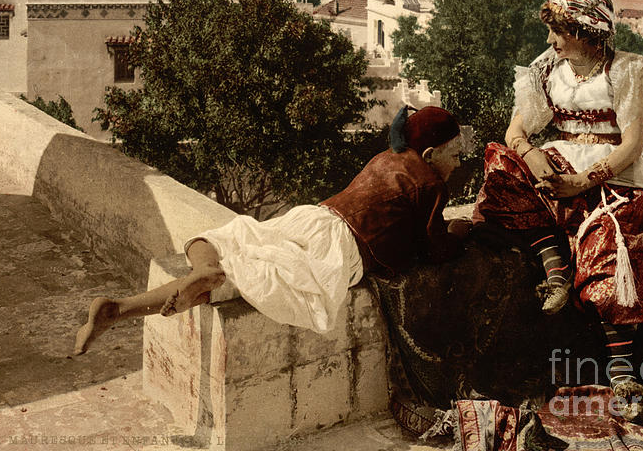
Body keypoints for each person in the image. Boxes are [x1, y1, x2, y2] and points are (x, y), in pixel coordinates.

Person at [75, 105, 468, 355]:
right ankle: (202, 278)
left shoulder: (387, 157)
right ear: (431, 154)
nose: (460, 161)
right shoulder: (430, 182)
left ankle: (122, 308)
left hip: (314, 217)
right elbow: (435, 250)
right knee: (261, 277)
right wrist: (461, 232)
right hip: (342, 246)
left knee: (230, 239)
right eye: (457, 153)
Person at [472, 0, 643, 421]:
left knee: (617, 235)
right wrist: (533, 156)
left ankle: (621, 370)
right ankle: (556, 273)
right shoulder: (545, 69)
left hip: (615, 170)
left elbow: (632, 146)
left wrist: (582, 182)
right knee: (500, 169)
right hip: (557, 163)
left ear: (588, 34)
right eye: (550, 30)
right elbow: (516, 133)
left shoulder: (628, 70)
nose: (551, 40)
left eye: (559, 31)